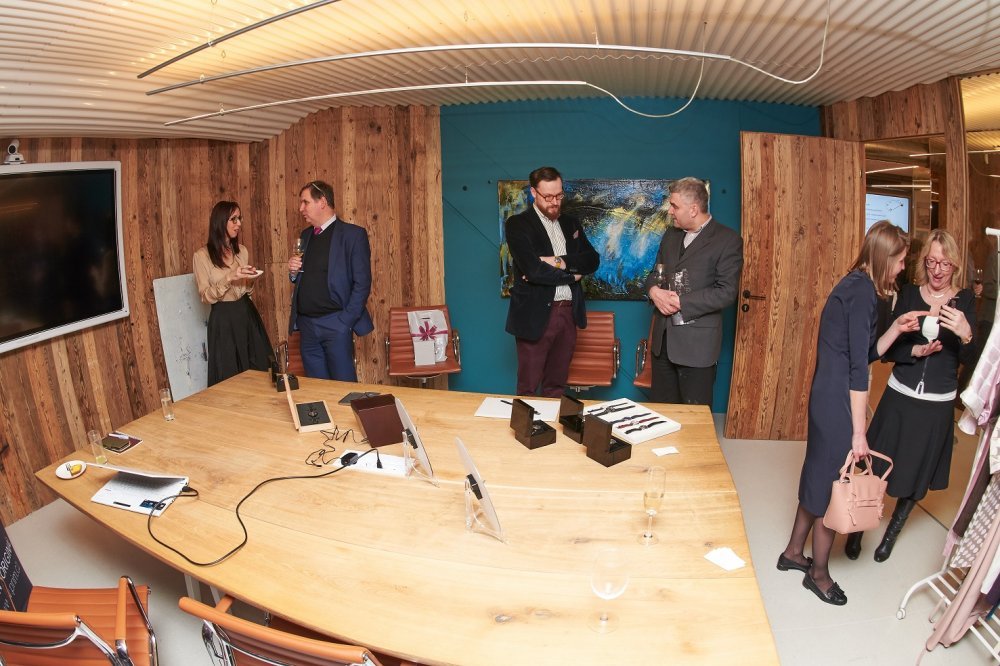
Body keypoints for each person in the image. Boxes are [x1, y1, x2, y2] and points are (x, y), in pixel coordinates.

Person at [778, 220, 923, 606]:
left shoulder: (856, 286)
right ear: (884, 257)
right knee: (834, 486)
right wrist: (859, 433)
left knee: (819, 473)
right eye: (900, 260)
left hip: (828, 392)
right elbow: (860, 370)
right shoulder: (861, 293)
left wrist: (897, 328)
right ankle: (819, 574)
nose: (902, 268)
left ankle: (793, 552)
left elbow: (867, 352)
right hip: (839, 397)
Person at [847, 229, 976, 562]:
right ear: (923, 262)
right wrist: (914, 351)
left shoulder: (965, 301)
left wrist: (966, 335)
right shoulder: (908, 294)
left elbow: (972, 360)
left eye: (944, 264)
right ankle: (859, 527)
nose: (937, 270)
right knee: (875, 465)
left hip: (937, 404)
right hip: (900, 395)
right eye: (931, 262)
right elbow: (888, 349)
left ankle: (890, 535)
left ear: (955, 265)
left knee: (918, 471)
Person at [644, 177, 743, 406]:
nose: (670, 211)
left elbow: (727, 292)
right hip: (663, 343)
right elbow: (655, 273)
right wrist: (653, 291)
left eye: (674, 206)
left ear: (693, 209)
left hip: (698, 346)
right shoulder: (671, 235)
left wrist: (681, 302)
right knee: (662, 412)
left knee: (694, 416)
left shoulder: (728, 240)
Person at [504, 166, 600, 396]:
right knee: (528, 388)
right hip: (534, 315)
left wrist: (557, 261)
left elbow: (592, 260)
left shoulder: (571, 223)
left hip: (568, 314)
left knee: (556, 386)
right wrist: (573, 275)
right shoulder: (517, 224)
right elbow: (534, 271)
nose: (555, 202)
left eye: (559, 195)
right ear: (533, 193)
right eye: (548, 197)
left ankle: (553, 421)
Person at [287, 180, 373, 381]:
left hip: (336, 324)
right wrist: (293, 273)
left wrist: (345, 322)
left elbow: (362, 284)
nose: (301, 209)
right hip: (307, 327)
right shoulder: (305, 235)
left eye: (305, 202)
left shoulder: (353, 235)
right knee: (317, 388)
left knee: (344, 387)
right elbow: (304, 278)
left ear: (322, 202)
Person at [193, 201, 273, 386]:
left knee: (259, 369)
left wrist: (249, 279)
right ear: (220, 222)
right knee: (229, 375)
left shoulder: (242, 251)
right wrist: (229, 277)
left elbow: (246, 291)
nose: (239, 223)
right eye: (233, 219)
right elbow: (205, 296)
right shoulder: (201, 256)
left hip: (246, 312)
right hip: (223, 319)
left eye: (240, 218)